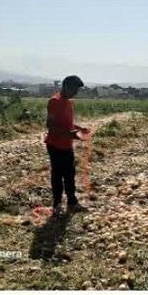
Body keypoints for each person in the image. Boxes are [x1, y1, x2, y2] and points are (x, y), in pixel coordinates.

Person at [45, 75, 90, 218]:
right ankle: (57, 204)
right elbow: (51, 126)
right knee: (57, 175)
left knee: (70, 174)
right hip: (55, 145)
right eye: (74, 89)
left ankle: (72, 202)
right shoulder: (54, 101)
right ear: (66, 87)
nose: (76, 93)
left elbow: (68, 124)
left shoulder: (68, 102)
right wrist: (72, 135)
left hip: (67, 145)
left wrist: (79, 128)